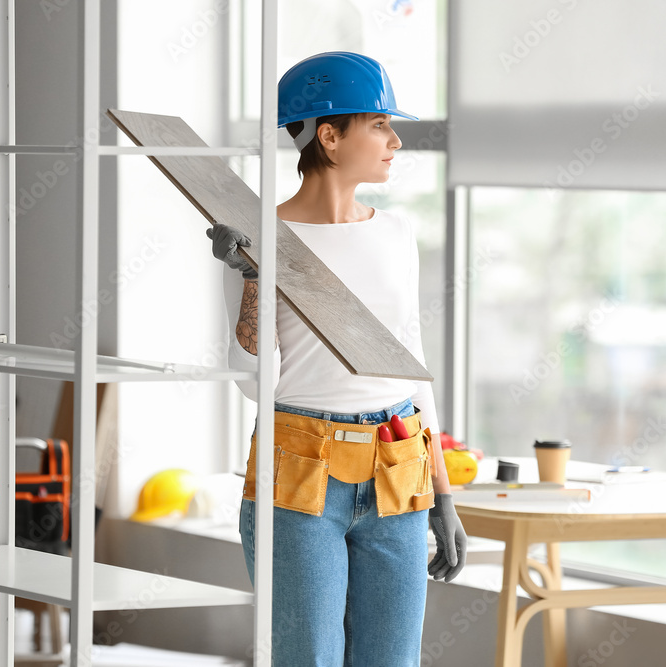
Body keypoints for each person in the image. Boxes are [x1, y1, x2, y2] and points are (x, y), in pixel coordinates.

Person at [208, 51, 467, 666]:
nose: (396, 140)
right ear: (329, 135)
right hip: (298, 469)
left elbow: (413, 364)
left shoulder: (397, 235)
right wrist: (252, 278)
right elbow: (254, 382)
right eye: (379, 124)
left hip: (397, 464)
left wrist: (443, 490)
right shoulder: (258, 238)